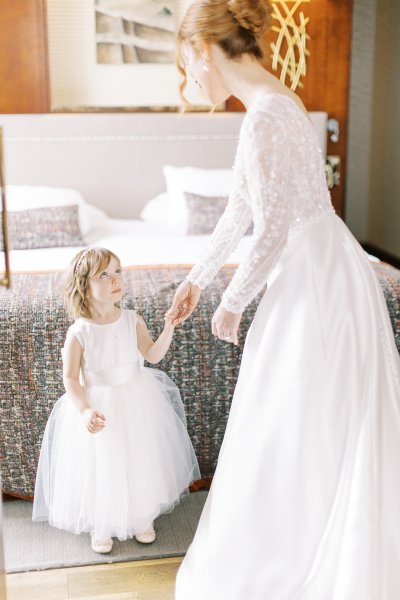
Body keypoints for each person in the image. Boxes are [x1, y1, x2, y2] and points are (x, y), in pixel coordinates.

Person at [167, 1, 400, 598]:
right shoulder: (277, 103)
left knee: (290, 415)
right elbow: (240, 213)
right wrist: (197, 278)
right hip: (327, 266)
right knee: (310, 417)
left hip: (311, 278)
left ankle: (293, 554)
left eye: (184, 62)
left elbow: (270, 231)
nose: (188, 78)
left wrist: (232, 302)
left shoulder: (266, 115)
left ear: (202, 50)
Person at [32, 247, 200, 554]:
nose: (115, 280)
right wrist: (84, 410)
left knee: (139, 456)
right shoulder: (79, 332)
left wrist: (168, 328)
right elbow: (70, 377)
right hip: (99, 404)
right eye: (104, 275)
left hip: (136, 398)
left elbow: (152, 355)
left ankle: (141, 514)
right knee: (101, 463)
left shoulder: (131, 320)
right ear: (84, 286)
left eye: (118, 271)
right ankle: (103, 522)